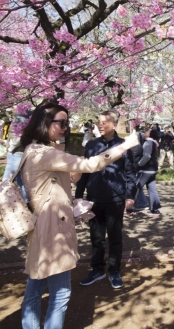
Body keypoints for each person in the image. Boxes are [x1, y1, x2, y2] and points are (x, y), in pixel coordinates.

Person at [18, 102, 140, 329]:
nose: (65, 127)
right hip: (53, 226)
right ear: (45, 123)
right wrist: (126, 146)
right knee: (61, 292)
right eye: (61, 123)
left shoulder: (33, 149)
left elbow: (59, 177)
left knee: (36, 285)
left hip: (46, 222)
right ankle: (97, 270)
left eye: (67, 123)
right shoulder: (46, 153)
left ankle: (112, 271)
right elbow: (91, 164)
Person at [75, 111, 136, 289]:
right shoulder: (92, 145)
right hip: (93, 198)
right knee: (96, 237)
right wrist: (79, 195)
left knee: (115, 237)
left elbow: (130, 174)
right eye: (98, 122)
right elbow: (84, 171)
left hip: (115, 199)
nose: (100, 125)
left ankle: (114, 270)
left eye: (104, 122)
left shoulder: (124, 146)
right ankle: (97, 269)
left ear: (115, 124)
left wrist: (130, 196)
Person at [132, 128, 162, 216]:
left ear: (150, 134)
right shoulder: (153, 142)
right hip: (152, 170)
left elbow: (146, 156)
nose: (145, 132)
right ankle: (155, 209)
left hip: (146, 170)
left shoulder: (148, 142)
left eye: (147, 131)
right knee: (152, 189)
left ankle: (129, 208)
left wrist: (138, 164)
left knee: (135, 187)